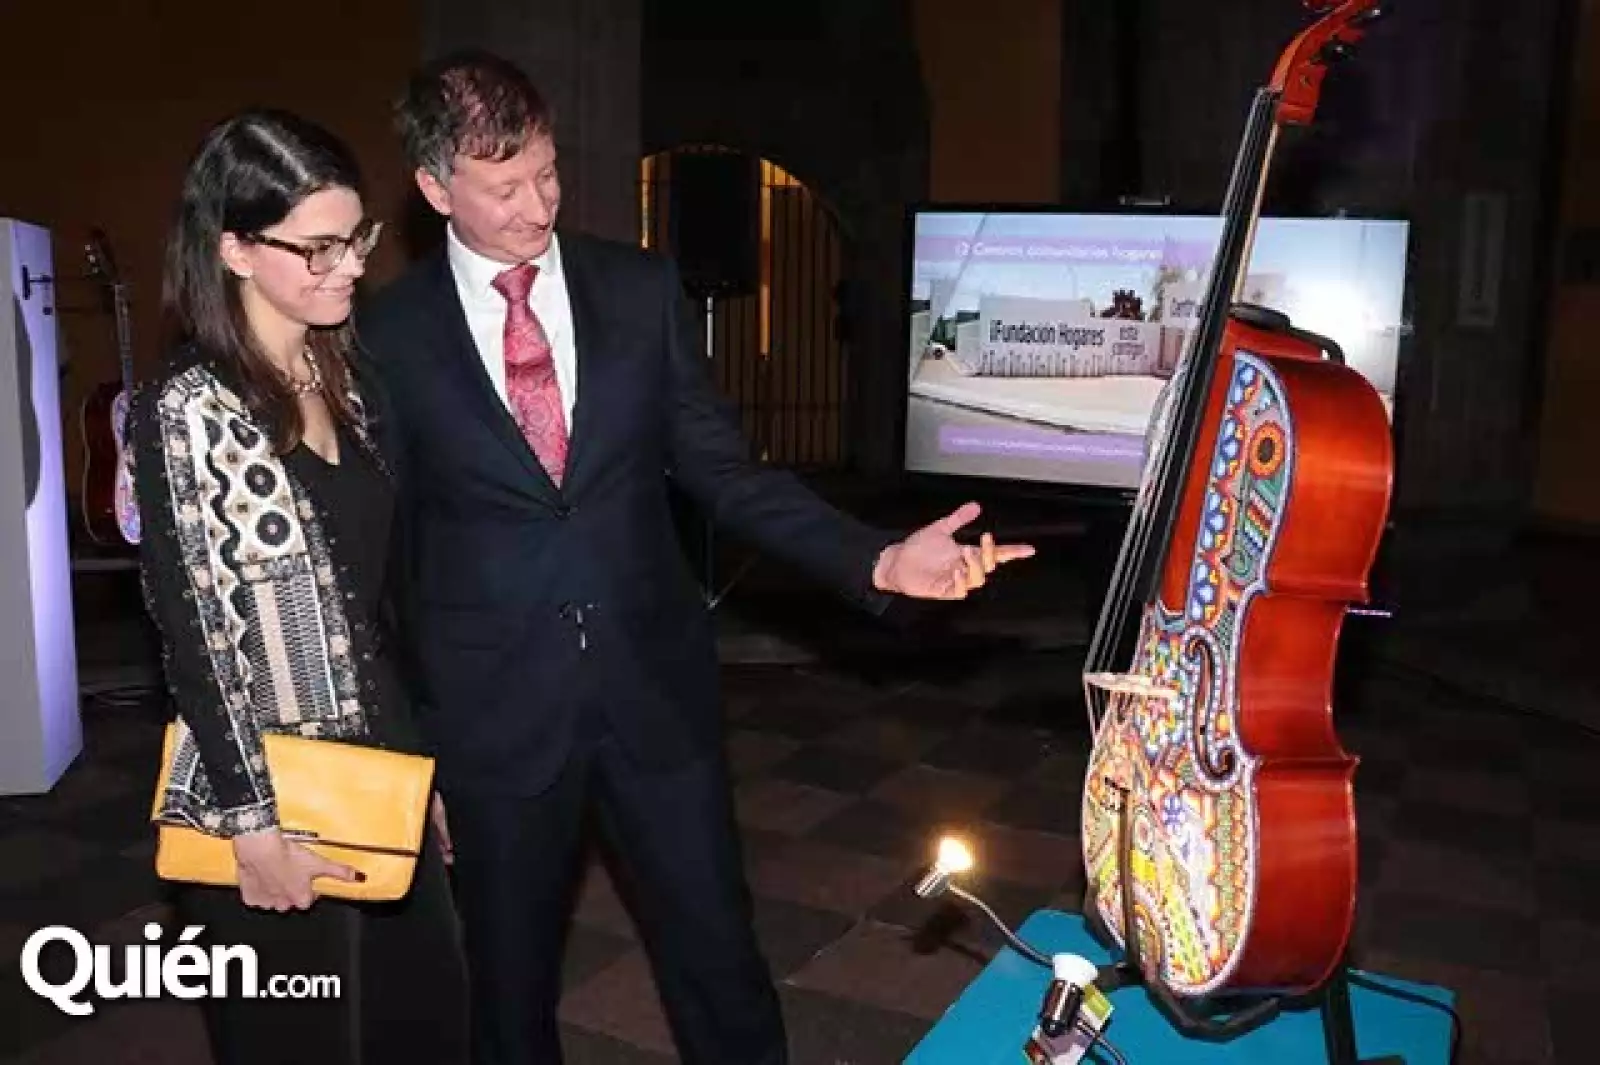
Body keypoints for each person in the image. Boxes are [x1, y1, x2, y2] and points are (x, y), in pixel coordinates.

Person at [359, 50, 1033, 1065]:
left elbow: (726, 472)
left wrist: (877, 561)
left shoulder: (636, 289)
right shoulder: (384, 335)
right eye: (503, 188)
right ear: (433, 186)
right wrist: (412, 752)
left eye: (547, 173)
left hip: (653, 698)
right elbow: (382, 562)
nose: (537, 206)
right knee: (504, 991)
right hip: (489, 722)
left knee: (719, 964)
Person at [130, 108, 469, 1065]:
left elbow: (376, 604)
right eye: (317, 248)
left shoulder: (346, 370)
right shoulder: (188, 407)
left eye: (356, 239)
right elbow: (195, 636)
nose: (349, 266)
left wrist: (421, 772)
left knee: (426, 1024)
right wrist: (253, 827)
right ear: (234, 248)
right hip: (268, 797)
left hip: (381, 768)